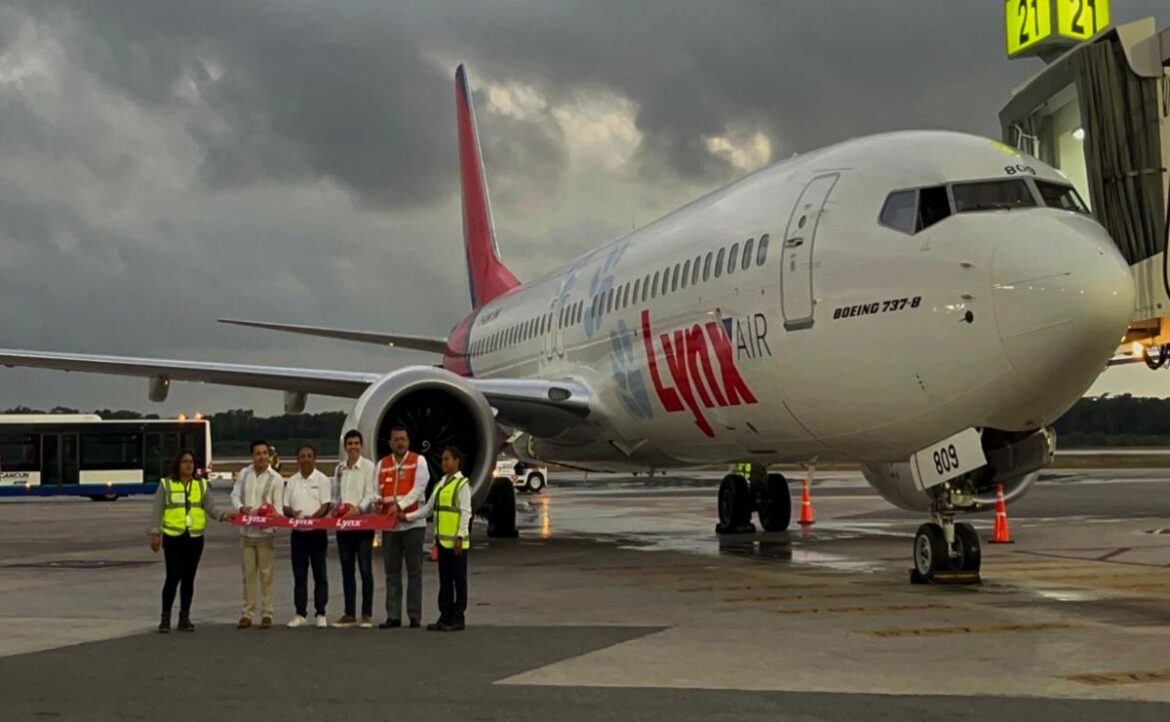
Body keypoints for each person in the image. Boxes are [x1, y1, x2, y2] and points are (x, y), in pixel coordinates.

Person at [148, 450, 231, 633]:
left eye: (191, 462)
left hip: (194, 537)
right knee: (172, 576)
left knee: (189, 578)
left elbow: (211, 508)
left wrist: (223, 516)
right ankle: (165, 617)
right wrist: (155, 532)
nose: (189, 465)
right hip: (173, 536)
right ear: (178, 464)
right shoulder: (166, 484)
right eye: (185, 462)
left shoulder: (201, 485)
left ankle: (184, 617)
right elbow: (157, 510)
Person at [400, 445, 470, 632]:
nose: (443, 463)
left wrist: (460, 537)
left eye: (447, 459)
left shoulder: (462, 485)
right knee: (445, 581)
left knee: (459, 581)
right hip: (442, 541)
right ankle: (445, 615)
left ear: (457, 461)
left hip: (456, 542)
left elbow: (465, 513)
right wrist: (406, 517)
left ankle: (458, 617)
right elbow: (428, 509)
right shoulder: (440, 484)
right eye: (442, 459)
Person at [377, 427, 430, 629]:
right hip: (390, 526)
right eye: (396, 439)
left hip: (412, 523)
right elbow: (376, 491)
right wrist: (377, 503)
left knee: (414, 571)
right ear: (390, 443)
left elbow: (418, 489)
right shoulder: (382, 464)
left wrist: (399, 507)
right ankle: (393, 615)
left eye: (403, 439)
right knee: (392, 573)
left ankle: (414, 615)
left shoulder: (419, 462)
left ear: (408, 442)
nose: (400, 443)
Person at [230, 439, 284, 630]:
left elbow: (279, 508)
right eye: (258, 453)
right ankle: (247, 613)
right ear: (252, 456)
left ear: (268, 455)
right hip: (246, 533)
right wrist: (241, 508)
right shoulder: (244, 474)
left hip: (265, 535)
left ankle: (267, 613)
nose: (261, 457)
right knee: (248, 575)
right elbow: (234, 495)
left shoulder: (275, 478)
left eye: (264, 453)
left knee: (266, 575)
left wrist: (272, 515)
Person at [332, 429, 377, 628]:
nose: (353, 447)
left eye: (356, 444)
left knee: (366, 570)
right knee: (347, 570)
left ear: (362, 445)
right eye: (349, 444)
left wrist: (358, 509)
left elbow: (371, 494)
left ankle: (366, 613)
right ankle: (349, 613)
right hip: (343, 526)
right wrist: (335, 508)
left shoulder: (369, 467)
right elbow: (336, 494)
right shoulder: (339, 469)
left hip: (363, 524)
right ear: (345, 447)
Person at [284, 444, 333, 628]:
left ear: (315, 458)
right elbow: (285, 506)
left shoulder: (322, 479)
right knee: (299, 575)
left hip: (317, 532)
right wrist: (293, 513)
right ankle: (300, 613)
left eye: (309, 456)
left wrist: (313, 519)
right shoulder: (292, 481)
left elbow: (326, 505)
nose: (306, 459)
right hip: (298, 533)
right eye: (302, 456)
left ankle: (321, 612)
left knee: (320, 574)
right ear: (298, 459)